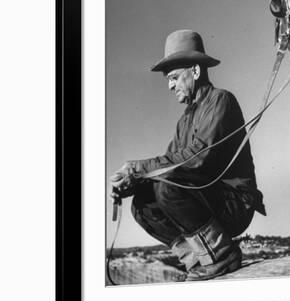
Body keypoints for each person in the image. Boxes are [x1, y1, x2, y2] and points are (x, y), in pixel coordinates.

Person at [111, 30, 266, 281]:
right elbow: (166, 165)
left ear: (194, 71)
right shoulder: (184, 121)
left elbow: (197, 159)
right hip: (209, 201)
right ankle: (197, 259)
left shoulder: (221, 101)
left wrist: (138, 168)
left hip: (235, 204)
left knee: (166, 188)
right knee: (141, 204)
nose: (170, 85)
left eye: (173, 77)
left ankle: (222, 256)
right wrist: (131, 183)